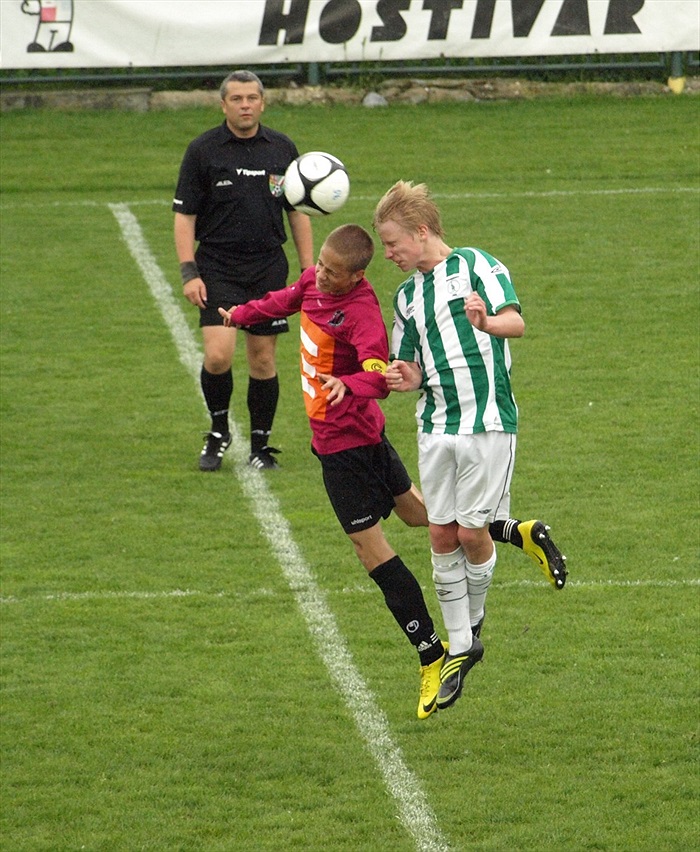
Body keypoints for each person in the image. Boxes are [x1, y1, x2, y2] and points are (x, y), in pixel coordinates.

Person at [218, 224, 448, 720]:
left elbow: (378, 373)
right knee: (418, 515)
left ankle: (432, 652)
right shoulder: (314, 281)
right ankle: (511, 531)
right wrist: (240, 315)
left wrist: (349, 383)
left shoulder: (361, 312)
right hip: (360, 437)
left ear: (356, 276)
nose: (320, 275)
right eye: (320, 264)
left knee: (370, 550)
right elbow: (284, 300)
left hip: (347, 446)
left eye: (331, 271)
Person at [374, 180, 566, 711]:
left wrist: (486, 322)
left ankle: (472, 625)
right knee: (440, 533)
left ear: (420, 231)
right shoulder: (406, 296)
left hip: (487, 423)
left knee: (471, 533)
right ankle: (460, 647)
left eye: (392, 243)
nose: (388, 254)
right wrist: (403, 376)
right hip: (436, 424)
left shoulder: (477, 265)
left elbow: (517, 323)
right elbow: (412, 364)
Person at [173, 69, 314, 471]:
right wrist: (189, 272)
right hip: (217, 267)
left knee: (263, 360)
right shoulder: (203, 151)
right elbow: (184, 216)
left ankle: (260, 447)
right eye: (236, 99)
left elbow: (297, 212)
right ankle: (219, 432)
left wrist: (308, 271)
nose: (245, 105)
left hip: (267, 268)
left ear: (263, 103)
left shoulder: (282, 149)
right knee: (218, 355)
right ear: (223, 105)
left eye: (252, 98)